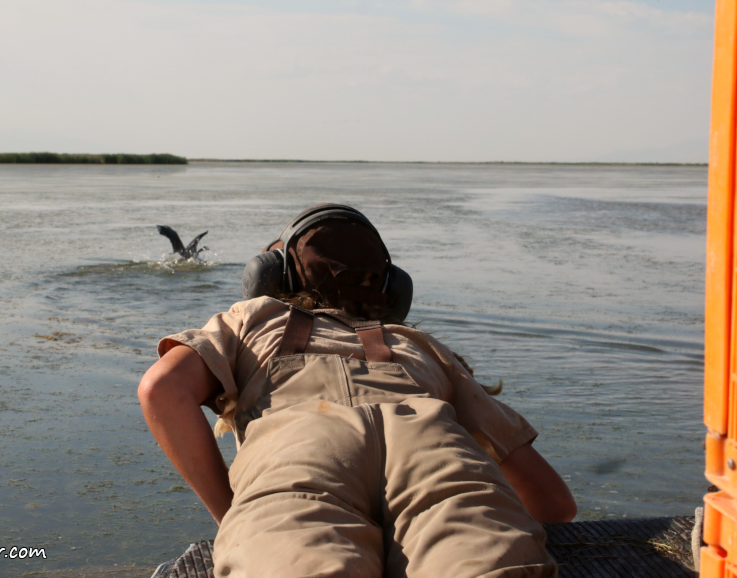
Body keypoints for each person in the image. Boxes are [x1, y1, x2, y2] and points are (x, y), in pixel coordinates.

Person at [139, 204, 576, 578]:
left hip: (298, 451)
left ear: (271, 279)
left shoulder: (251, 318)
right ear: (391, 290)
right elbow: (552, 500)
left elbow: (161, 389)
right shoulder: (421, 345)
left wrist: (232, 514)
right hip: (435, 445)